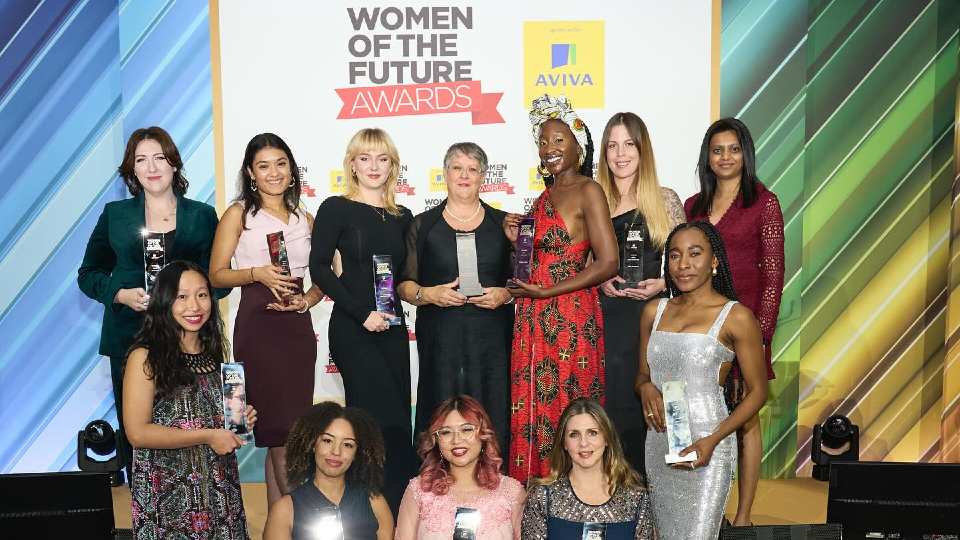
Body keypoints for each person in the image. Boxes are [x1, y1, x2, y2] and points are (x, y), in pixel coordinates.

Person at [78, 126, 224, 481]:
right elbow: (88, 273)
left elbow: (219, 278)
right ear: (131, 171)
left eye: (159, 157)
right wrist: (119, 294)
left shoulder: (202, 215)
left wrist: (193, 301)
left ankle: (203, 506)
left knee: (198, 420)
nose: (152, 167)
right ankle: (143, 510)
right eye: (141, 160)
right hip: (130, 336)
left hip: (192, 339)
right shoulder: (115, 214)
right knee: (137, 428)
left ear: (174, 164)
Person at [504, 94, 619, 483]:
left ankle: (577, 497)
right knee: (534, 406)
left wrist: (546, 294)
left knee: (571, 406)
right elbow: (537, 260)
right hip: (532, 319)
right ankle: (537, 498)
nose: (549, 149)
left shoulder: (590, 190)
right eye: (543, 141)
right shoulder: (541, 198)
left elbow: (608, 262)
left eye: (558, 140)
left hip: (571, 314)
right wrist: (515, 238)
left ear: (578, 144)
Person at [635, 221, 769, 539]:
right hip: (659, 443)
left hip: (709, 441)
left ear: (714, 261)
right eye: (675, 255)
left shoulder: (736, 316)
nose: (684, 265)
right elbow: (642, 373)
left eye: (695, 254)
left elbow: (759, 392)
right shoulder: (654, 311)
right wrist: (645, 388)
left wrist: (713, 440)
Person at [309, 128, 418, 515]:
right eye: (365, 158)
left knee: (399, 425)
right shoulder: (335, 208)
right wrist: (361, 313)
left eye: (382, 159)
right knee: (372, 422)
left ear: (393, 166)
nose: (374, 166)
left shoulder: (404, 217)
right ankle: (368, 514)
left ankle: (400, 513)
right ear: (352, 164)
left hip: (392, 328)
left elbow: (409, 276)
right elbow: (319, 269)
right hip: (353, 329)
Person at [209, 133, 322, 506]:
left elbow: (324, 277)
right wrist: (257, 273)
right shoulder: (239, 214)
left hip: (296, 329)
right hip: (259, 327)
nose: (273, 172)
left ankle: (279, 526)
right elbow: (216, 275)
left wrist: (306, 301)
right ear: (250, 173)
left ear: (292, 170)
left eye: (280, 164)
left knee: (288, 435)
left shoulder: (306, 217)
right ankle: (301, 521)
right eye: (263, 165)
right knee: (278, 433)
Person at [684, 118, 784, 526]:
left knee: (745, 419)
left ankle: (742, 516)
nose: (725, 157)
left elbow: (774, 278)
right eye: (717, 150)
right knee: (696, 412)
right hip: (698, 327)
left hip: (743, 330)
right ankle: (701, 508)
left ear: (746, 154)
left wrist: (758, 341)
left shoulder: (764, 203)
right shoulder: (693, 206)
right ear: (707, 157)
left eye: (733, 149)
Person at [123, 260, 256, 538]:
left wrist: (238, 422)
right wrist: (208, 435)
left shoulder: (215, 356)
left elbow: (215, 423)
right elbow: (137, 433)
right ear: (164, 301)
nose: (194, 306)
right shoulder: (145, 357)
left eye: (202, 295)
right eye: (181, 297)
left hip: (218, 492)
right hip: (166, 497)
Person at [398, 143, 514, 453]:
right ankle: (435, 489)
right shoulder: (422, 225)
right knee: (440, 409)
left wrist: (505, 294)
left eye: (472, 169)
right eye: (457, 168)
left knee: (493, 410)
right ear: (445, 174)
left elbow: (523, 281)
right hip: (441, 340)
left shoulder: (504, 224)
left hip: (492, 341)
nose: (464, 175)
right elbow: (404, 285)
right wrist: (429, 294)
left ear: (483, 177)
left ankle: (496, 490)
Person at [595, 112, 685, 473]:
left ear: (642, 149)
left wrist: (663, 283)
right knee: (611, 409)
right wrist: (599, 278)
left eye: (629, 144)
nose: (620, 154)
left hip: (653, 319)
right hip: (606, 320)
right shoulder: (594, 198)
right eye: (612, 145)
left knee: (655, 411)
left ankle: (661, 499)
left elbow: (687, 261)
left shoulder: (664, 200)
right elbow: (579, 261)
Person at [520, 398, 656, 539]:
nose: (583, 443)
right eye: (574, 434)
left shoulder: (635, 498)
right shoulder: (543, 497)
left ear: (607, 439)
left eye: (592, 433)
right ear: (564, 443)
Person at [395, 395, 525, 540]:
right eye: (446, 432)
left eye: (466, 430)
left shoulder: (511, 492)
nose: (456, 440)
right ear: (436, 440)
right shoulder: (418, 490)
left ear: (483, 434)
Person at [263, 401, 394, 540]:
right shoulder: (285, 510)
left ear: (357, 453)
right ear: (313, 444)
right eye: (327, 441)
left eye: (348, 445)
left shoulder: (375, 502)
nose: (336, 451)